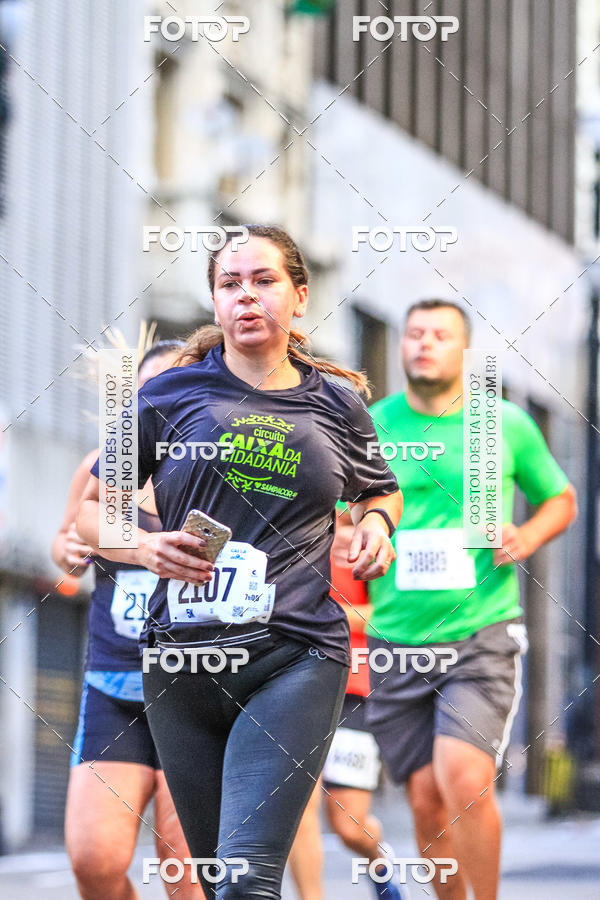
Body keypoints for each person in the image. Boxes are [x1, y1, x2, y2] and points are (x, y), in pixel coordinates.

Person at [76, 224, 403, 899]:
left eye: (263, 281)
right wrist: (141, 546)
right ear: (215, 302)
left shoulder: (337, 402)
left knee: (245, 882)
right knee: (219, 880)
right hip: (182, 664)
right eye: (230, 285)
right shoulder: (167, 397)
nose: (246, 297)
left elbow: (380, 490)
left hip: (296, 654)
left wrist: (376, 525)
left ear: (300, 296)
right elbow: (91, 513)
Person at [354, 298, 576, 899]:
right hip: (396, 634)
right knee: (426, 799)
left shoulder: (501, 423)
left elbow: (560, 498)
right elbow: (340, 510)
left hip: (482, 630)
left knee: (464, 777)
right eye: (414, 334)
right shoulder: (371, 423)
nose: (424, 343)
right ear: (401, 347)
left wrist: (525, 535)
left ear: (465, 351)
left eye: (440, 335)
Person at [53, 337, 204, 900]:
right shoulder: (102, 470)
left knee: (185, 870)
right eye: (149, 388)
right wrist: (67, 552)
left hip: (200, 684)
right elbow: (64, 546)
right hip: (115, 682)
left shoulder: (219, 471)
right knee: (94, 859)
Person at [288, 509, 408, 900]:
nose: (341, 535)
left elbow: (392, 617)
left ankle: (378, 860)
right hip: (293, 682)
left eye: (349, 525)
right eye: (333, 525)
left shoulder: (376, 551)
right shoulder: (293, 544)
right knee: (297, 809)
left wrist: (327, 616)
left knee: (349, 825)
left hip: (354, 688)